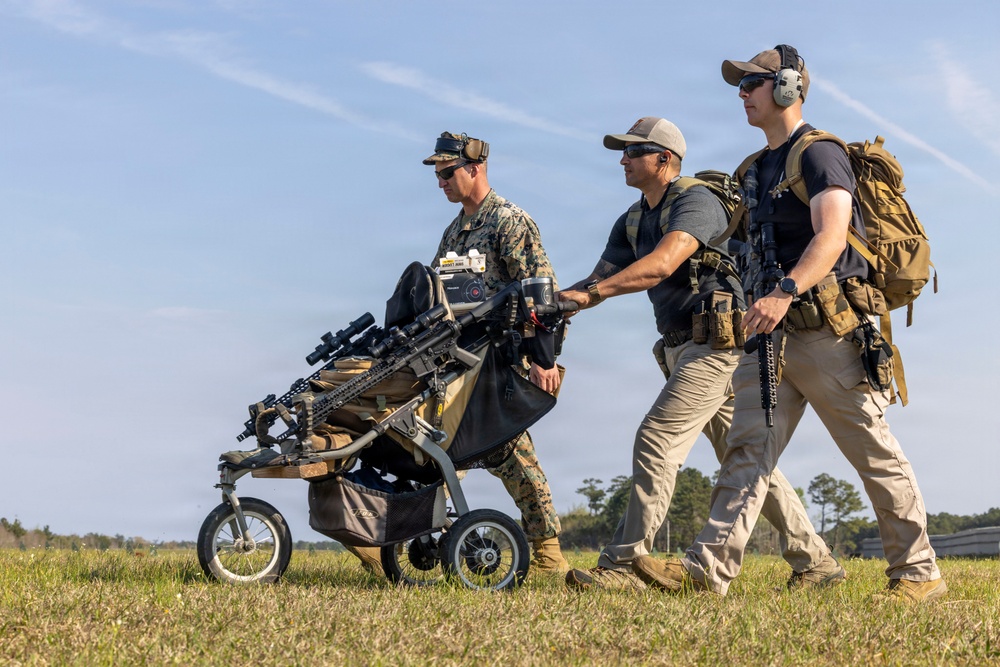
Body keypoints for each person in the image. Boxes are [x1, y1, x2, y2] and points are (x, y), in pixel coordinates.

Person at [630, 46, 946, 603]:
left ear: (786, 87)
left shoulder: (820, 155)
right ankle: (708, 572)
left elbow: (830, 235)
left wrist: (783, 291)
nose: (742, 94)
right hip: (768, 336)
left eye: (751, 84)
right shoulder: (753, 169)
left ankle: (918, 573)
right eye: (741, 86)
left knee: (873, 451)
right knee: (747, 451)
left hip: (827, 330)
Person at [557, 117, 840, 590]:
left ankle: (625, 565)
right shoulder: (631, 218)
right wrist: (551, 301)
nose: (622, 159)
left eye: (633, 151)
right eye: (622, 151)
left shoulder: (696, 201)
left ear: (663, 159)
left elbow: (662, 264)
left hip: (716, 348)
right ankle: (816, 561)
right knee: (743, 457)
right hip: (681, 349)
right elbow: (595, 281)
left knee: (657, 437)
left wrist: (592, 294)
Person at [348, 132, 569, 575]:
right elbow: (435, 296)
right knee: (437, 449)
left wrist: (544, 359)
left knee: (508, 451)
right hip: (456, 363)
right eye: (436, 174)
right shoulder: (454, 231)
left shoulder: (510, 221)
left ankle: (547, 552)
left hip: (502, 361)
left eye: (447, 172)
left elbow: (543, 296)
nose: (440, 181)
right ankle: (393, 535)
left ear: (475, 167)